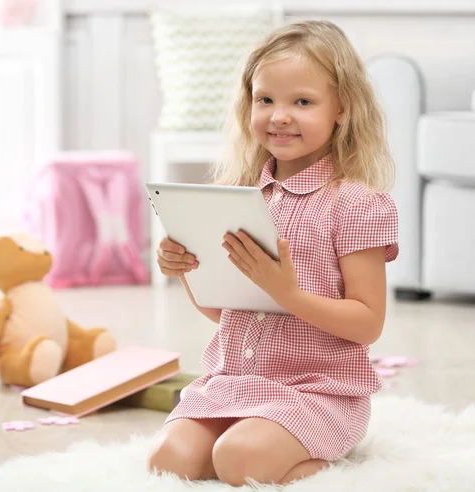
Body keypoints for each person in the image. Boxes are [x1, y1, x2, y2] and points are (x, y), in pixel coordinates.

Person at [147, 20, 399, 487]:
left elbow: (368, 322)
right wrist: (187, 270)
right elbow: (227, 311)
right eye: (265, 100)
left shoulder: (356, 203)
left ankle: (329, 462)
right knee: (168, 461)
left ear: (342, 107)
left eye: (302, 102)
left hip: (317, 392)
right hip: (234, 383)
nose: (279, 115)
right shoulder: (237, 196)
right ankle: (260, 448)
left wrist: (288, 292)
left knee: (239, 460)